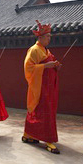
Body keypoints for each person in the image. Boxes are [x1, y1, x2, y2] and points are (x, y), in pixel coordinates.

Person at [22, 20, 61, 154]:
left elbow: (49, 64)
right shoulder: (34, 50)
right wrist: (45, 66)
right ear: (40, 37)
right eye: (47, 36)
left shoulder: (46, 51)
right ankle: (47, 138)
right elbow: (28, 67)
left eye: (50, 36)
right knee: (40, 110)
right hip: (39, 86)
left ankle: (29, 134)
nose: (50, 38)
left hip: (48, 87)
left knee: (46, 111)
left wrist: (55, 66)